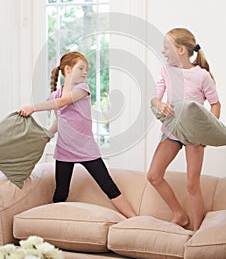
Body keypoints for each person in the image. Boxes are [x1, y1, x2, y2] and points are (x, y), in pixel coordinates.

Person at [18, 51, 136, 218]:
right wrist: (47, 135)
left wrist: (33, 107)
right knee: (61, 191)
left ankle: (134, 219)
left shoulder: (82, 89)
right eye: (81, 68)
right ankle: (52, 221)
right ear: (68, 69)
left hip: (86, 149)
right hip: (64, 150)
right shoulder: (56, 94)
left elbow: (63, 102)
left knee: (108, 186)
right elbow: (60, 120)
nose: (85, 72)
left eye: (86, 69)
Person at [147, 28, 221, 231]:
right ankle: (179, 214)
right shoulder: (166, 71)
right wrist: (158, 103)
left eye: (166, 47)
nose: (163, 52)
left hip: (194, 135)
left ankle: (197, 231)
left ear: (180, 50)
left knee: (192, 184)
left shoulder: (201, 76)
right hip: (172, 131)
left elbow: (215, 104)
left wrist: (209, 130)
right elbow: (155, 96)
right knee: (154, 175)